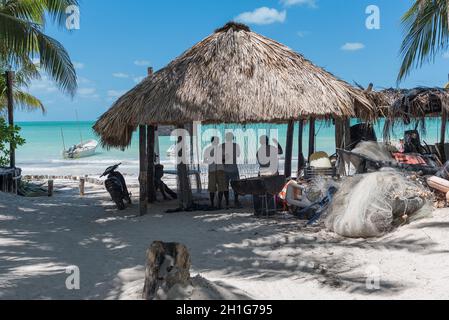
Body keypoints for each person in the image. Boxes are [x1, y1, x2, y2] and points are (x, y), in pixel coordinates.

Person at [204, 136, 228, 209]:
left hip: (212, 170)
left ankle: (213, 204)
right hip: (220, 169)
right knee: (221, 187)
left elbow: (205, 160)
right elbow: (225, 159)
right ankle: (219, 204)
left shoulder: (207, 149)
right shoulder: (221, 149)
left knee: (212, 188)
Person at [222, 132, 242, 208]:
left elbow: (220, 157)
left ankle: (227, 202)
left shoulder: (223, 146)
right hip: (233, 169)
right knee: (235, 186)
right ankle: (235, 201)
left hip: (225, 169)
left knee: (225, 186)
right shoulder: (235, 146)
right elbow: (238, 154)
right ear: (232, 138)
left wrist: (223, 161)